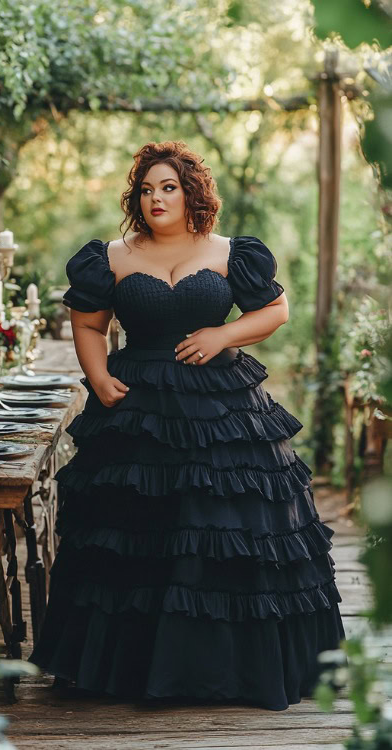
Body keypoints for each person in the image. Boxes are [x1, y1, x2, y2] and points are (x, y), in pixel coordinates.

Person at [28, 140, 346, 711]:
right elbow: (88, 324)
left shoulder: (230, 253)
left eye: (168, 187)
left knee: (220, 528)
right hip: (137, 413)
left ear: (190, 192)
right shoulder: (113, 256)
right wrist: (98, 378)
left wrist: (223, 334)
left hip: (222, 408)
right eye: (147, 189)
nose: (156, 198)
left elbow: (276, 310)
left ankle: (226, 668)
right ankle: (135, 669)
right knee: (139, 532)